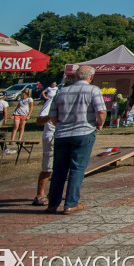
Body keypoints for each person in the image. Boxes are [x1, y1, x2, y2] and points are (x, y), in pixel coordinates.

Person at [46, 66, 107, 214]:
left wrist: (61, 126)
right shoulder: (93, 90)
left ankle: (53, 204)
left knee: (58, 170)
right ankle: (71, 203)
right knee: (77, 168)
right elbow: (101, 111)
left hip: (61, 134)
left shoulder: (61, 91)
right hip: (83, 132)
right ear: (91, 77)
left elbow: (52, 116)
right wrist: (99, 124)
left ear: (74, 76)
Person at [32, 96, 56, 205]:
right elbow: (39, 120)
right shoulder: (53, 100)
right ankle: (40, 194)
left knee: (64, 167)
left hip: (67, 136)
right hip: (51, 136)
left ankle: (55, 192)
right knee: (47, 167)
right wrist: (52, 117)